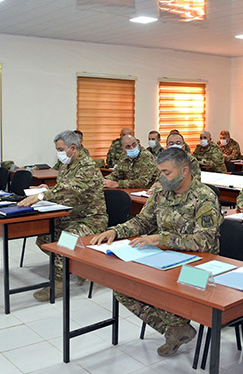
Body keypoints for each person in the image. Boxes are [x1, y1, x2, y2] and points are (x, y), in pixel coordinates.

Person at [91, 148, 222, 357]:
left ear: (184, 171)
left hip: (197, 265)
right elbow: (142, 221)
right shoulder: (162, 193)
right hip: (163, 259)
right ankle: (174, 330)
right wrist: (115, 231)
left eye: (166, 173)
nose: (161, 177)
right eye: (160, 172)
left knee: (165, 292)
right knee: (124, 288)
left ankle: (176, 325)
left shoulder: (204, 197)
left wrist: (160, 239)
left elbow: (204, 242)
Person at [19, 130, 108, 301]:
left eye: (61, 149)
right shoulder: (68, 165)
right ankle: (78, 266)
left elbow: (70, 189)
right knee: (44, 238)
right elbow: (63, 188)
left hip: (90, 220)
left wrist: (42, 196)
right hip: (71, 215)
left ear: (73, 148)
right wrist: (47, 189)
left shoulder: (87, 167)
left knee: (64, 241)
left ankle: (59, 284)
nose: (59, 153)